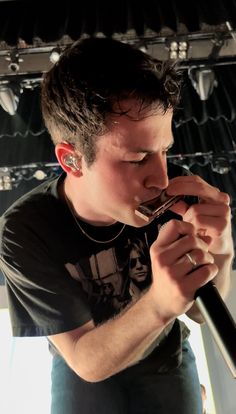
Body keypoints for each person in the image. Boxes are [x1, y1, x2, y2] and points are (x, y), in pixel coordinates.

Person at [0, 37, 233, 414]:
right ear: (72, 160)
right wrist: (158, 303)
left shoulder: (178, 187)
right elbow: (85, 360)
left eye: (165, 150)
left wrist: (221, 246)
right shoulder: (24, 230)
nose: (161, 178)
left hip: (165, 354)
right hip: (85, 360)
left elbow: (199, 313)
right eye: (137, 159)